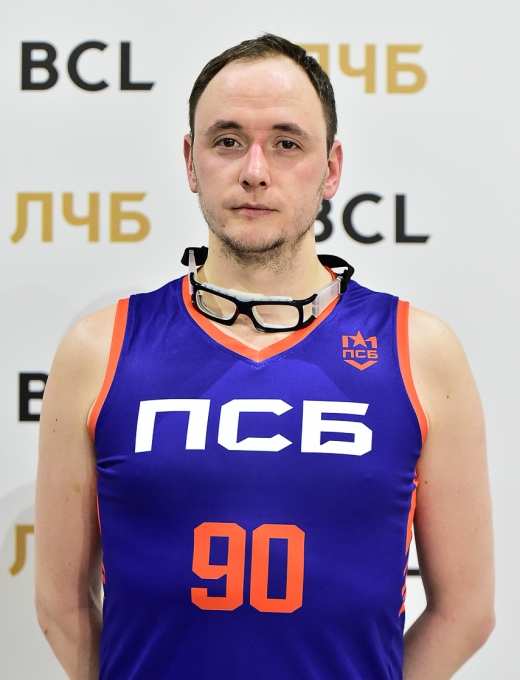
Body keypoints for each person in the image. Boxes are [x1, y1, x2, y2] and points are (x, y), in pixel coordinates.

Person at [35, 34, 494, 680]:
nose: (255, 170)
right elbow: (61, 607)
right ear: (190, 162)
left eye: (286, 143)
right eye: (227, 141)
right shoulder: (98, 349)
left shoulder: (420, 351)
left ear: (331, 169)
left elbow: (466, 611)